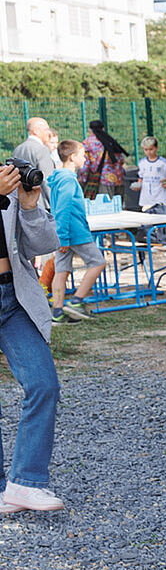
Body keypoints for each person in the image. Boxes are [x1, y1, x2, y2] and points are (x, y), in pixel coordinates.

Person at [0, 162, 65, 514]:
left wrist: (28, 205)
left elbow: (43, 244)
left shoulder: (7, 183)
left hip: (13, 299)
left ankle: (25, 483)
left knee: (44, 384)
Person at [46, 140, 105, 324]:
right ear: (72, 157)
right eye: (82, 155)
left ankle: (57, 312)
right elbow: (63, 208)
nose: (85, 158)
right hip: (74, 232)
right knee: (98, 262)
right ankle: (77, 301)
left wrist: (60, 235)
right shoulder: (68, 178)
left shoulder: (58, 177)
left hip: (64, 233)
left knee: (61, 271)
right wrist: (63, 237)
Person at [12, 117, 57, 211]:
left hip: (23, 202)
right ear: (36, 131)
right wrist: (55, 203)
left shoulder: (18, 149)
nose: (48, 133)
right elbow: (47, 180)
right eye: (46, 129)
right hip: (42, 204)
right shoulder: (42, 150)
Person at [79, 120, 127, 199]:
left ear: (89, 130)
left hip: (103, 180)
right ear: (103, 128)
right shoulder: (110, 140)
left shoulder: (88, 143)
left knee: (106, 206)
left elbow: (86, 164)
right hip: (118, 178)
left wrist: (83, 178)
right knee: (118, 207)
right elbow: (121, 160)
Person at [133, 136, 166, 215]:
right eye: (146, 149)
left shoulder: (163, 163)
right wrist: (138, 185)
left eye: (151, 149)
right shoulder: (142, 162)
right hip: (146, 199)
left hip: (160, 198)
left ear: (156, 148)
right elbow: (141, 178)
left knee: (162, 220)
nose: (148, 152)